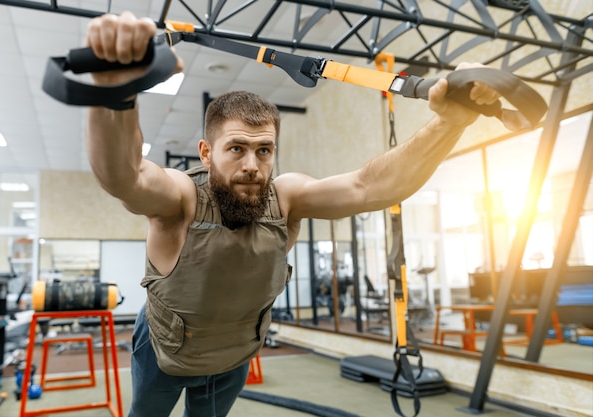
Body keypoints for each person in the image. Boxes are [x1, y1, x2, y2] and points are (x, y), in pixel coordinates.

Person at [84, 11, 500, 417]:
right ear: (207, 153)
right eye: (236, 148)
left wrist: (451, 123)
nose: (252, 164)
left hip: (234, 353)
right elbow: (125, 176)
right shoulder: (180, 199)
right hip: (162, 350)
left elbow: (370, 187)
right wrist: (114, 87)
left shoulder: (286, 198)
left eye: (264, 150)